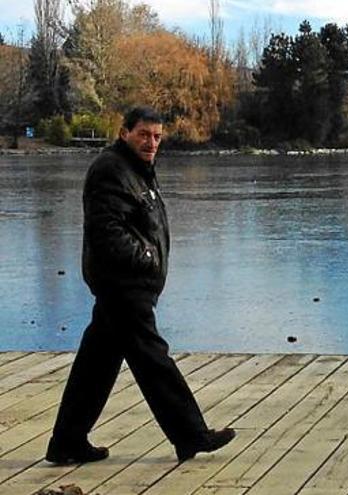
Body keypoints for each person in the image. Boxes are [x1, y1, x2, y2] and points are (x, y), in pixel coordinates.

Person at [46, 107, 234, 465]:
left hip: (131, 283)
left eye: (157, 137)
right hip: (123, 283)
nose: (151, 143)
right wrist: (147, 258)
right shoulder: (110, 170)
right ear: (124, 132)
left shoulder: (137, 170)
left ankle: (67, 441)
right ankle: (191, 435)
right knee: (153, 359)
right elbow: (107, 232)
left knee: (96, 364)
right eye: (144, 135)